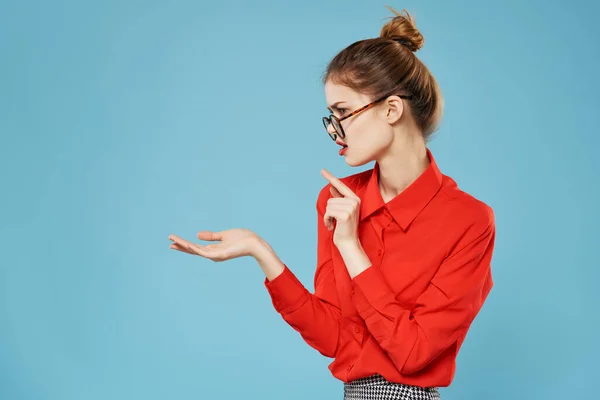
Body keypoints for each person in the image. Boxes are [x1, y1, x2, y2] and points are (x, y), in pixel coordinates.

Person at [168, 7, 496, 400]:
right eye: (330, 116)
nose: (334, 131)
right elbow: (335, 339)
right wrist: (262, 253)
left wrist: (352, 248)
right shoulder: (337, 199)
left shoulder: (469, 220)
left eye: (342, 113)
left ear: (392, 109)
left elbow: (414, 353)